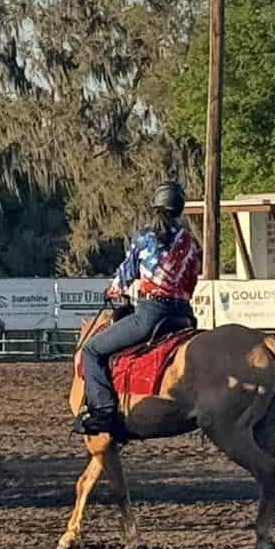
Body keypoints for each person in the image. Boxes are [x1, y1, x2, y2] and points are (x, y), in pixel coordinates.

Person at [78, 180, 202, 438]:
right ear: (179, 209)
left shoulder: (145, 238)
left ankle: (103, 411)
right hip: (183, 318)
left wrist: (114, 289)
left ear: (155, 206)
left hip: (151, 315)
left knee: (91, 350)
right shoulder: (191, 242)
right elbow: (192, 281)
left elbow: (125, 274)